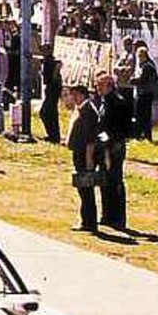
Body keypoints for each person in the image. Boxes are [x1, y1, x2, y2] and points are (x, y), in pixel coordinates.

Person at [93, 70, 133, 231]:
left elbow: (120, 127)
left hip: (114, 145)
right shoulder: (104, 101)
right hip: (105, 144)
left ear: (109, 85)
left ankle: (117, 218)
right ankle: (107, 215)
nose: (97, 88)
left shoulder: (117, 102)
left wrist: (108, 141)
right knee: (105, 180)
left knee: (114, 180)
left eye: (100, 85)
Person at [65, 84, 99, 233]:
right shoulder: (79, 110)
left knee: (86, 188)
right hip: (78, 152)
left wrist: (89, 158)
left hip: (84, 155)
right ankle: (86, 219)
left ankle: (89, 222)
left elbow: (89, 138)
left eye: (74, 95)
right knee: (82, 188)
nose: (72, 98)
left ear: (81, 95)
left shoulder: (88, 111)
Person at [131, 46, 158, 140]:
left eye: (140, 56)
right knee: (141, 115)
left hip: (145, 93)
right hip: (143, 92)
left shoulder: (147, 66)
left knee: (143, 115)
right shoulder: (145, 65)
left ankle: (144, 135)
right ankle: (142, 134)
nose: (139, 58)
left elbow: (143, 79)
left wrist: (133, 81)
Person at [40, 44, 62, 144]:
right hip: (51, 89)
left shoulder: (51, 62)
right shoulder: (47, 61)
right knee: (48, 113)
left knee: (47, 113)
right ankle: (53, 135)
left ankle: (54, 136)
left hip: (53, 89)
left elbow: (54, 76)